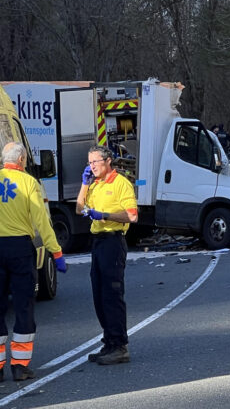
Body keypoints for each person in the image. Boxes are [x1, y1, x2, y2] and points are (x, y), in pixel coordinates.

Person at [0, 142, 66, 383]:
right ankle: (19, 366)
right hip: (20, 250)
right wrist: (55, 252)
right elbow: (41, 221)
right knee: (24, 306)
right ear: (23, 159)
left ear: (2, 160)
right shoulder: (29, 183)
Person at [76, 146, 138, 365]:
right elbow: (79, 209)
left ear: (108, 161)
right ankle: (109, 341)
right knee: (99, 296)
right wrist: (84, 185)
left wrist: (105, 215)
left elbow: (132, 215)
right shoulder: (95, 184)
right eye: (89, 162)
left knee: (112, 294)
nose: (91, 166)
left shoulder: (121, 184)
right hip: (99, 242)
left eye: (95, 162)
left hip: (113, 240)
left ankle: (120, 345)